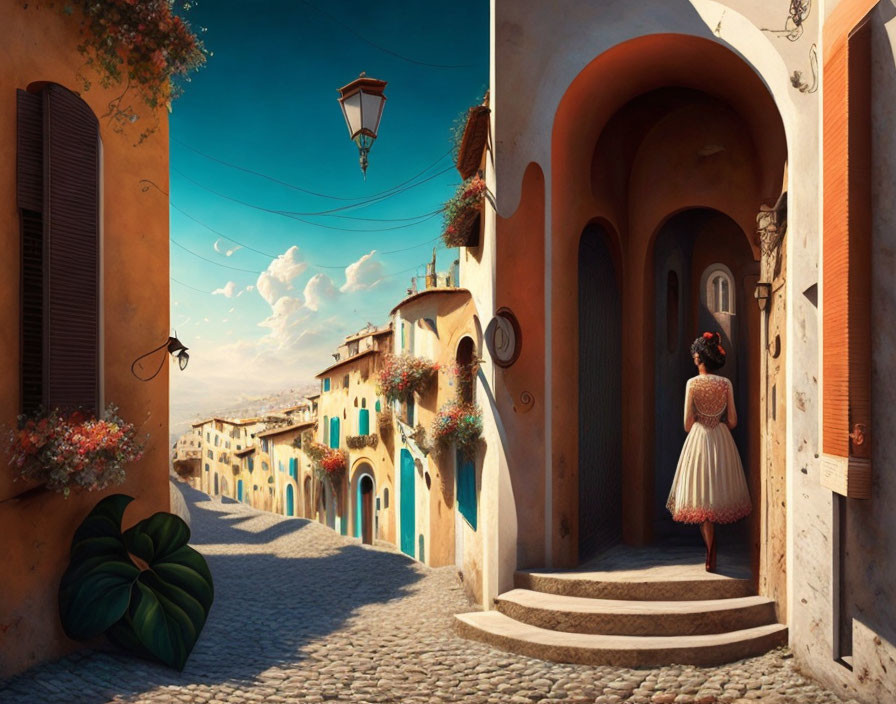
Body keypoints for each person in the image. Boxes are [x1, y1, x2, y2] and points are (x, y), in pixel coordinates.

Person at [666, 331, 752, 571]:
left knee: (701, 493)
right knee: (716, 490)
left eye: (695, 354)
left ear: (700, 357)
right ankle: (712, 547)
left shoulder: (692, 384)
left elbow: (686, 423)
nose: (694, 357)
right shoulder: (726, 384)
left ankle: (709, 548)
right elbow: (733, 421)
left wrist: (702, 419)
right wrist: (719, 420)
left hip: (699, 438)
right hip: (721, 439)